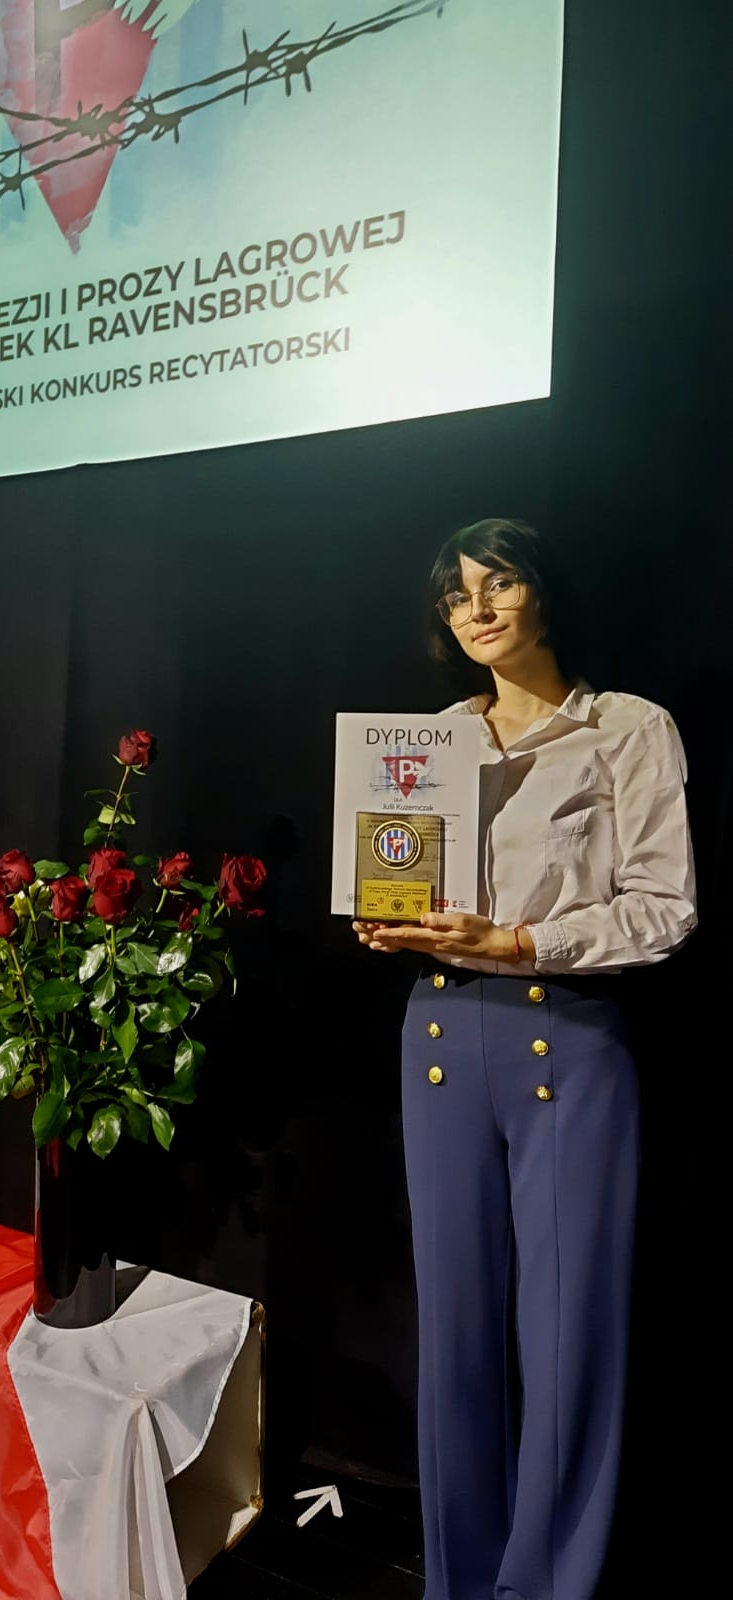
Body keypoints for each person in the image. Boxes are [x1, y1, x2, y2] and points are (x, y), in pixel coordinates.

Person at [353, 518, 696, 1600]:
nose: (478, 608)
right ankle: (458, 1581)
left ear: (541, 591)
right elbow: (402, 875)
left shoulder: (626, 728)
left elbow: (665, 907)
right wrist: (389, 919)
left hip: (568, 1037)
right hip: (439, 1034)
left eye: (496, 582)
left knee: (566, 1335)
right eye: (456, 596)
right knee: (453, 1332)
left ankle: (546, 1584)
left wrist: (514, 940)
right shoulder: (429, 739)